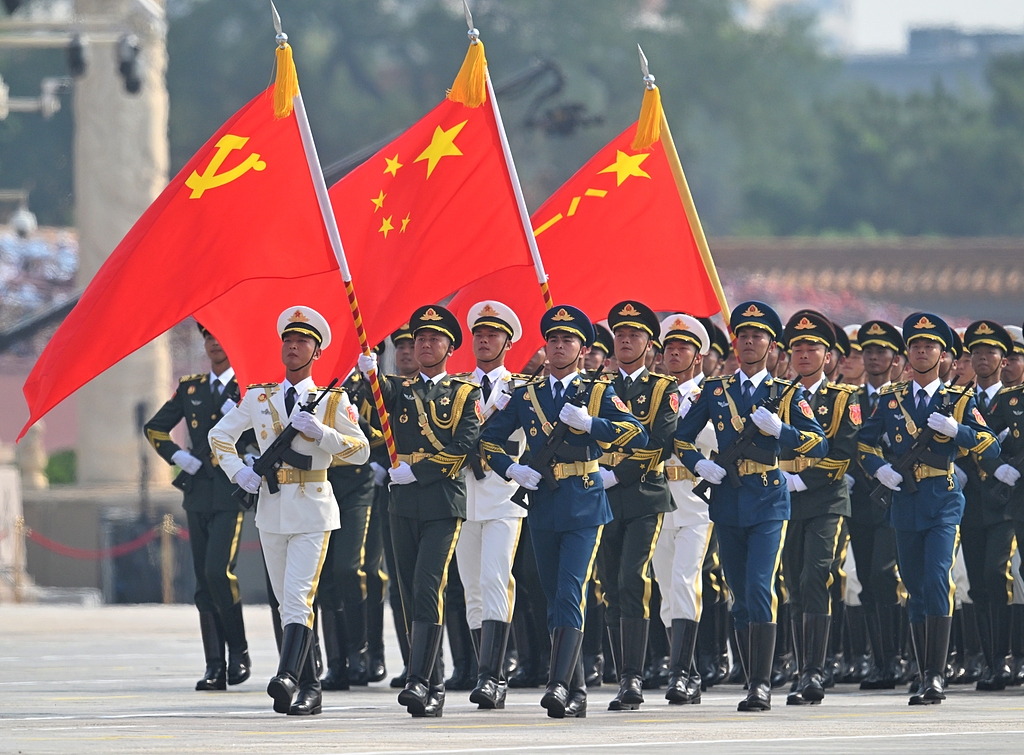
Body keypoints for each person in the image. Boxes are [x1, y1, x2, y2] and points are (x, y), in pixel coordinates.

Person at [480, 305, 647, 719]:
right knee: (554, 595)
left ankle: (557, 684)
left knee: (571, 590)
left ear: (583, 349)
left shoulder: (598, 392)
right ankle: (577, 691)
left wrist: (592, 424)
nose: (559, 346)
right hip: (542, 502)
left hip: (584, 500)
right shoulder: (526, 394)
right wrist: (512, 468)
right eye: (553, 340)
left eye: (567, 340)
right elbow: (488, 440)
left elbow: (635, 433)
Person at [209, 306, 369, 716]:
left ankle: (286, 676)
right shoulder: (259, 397)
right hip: (271, 507)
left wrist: (324, 434)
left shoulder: (333, 400)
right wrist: (239, 473)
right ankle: (311, 687)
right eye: (289, 340)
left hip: (313, 508)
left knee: (299, 596)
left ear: (317, 353)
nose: (293, 347)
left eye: (303, 342)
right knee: (285, 602)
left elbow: (362, 450)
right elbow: (219, 435)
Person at [674, 301, 828, 712]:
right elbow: (680, 437)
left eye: (757, 336)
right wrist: (699, 464)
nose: (748, 342)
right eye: (742, 335)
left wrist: (783, 430)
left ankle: (761, 684)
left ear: (772, 346)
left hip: (767, 499)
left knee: (761, 587)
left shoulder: (785, 393)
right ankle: (750, 679)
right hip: (727, 500)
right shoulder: (715, 390)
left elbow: (819, 443)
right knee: (739, 595)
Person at [859, 312, 999, 706]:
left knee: (938, 579)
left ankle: (936, 676)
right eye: (916, 346)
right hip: (904, 500)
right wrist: (880, 469)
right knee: (915, 586)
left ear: (944, 356)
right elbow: (865, 444)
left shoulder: (957, 400)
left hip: (942, 499)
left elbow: (990, 446)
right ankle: (924, 673)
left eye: (930, 346)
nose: (922, 351)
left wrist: (960, 431)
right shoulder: (891, 399)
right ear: (907, 354)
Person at [357, 305, 481, 718]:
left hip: (442, 502)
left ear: (449, 347)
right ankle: (434, 683)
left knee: (429, 585)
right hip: (403, 503)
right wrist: (367, 374)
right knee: (408, 592)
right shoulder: (398, 389)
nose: (425, 345)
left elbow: (464, 444)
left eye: (433, 340)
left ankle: (417, 679)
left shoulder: (465, 393)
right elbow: (371, 409)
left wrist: (420, 471)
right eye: (418, 340)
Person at [144, 322, 253, 692]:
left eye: (220, 335)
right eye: (208, 336)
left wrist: (247, 459)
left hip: (229, 490)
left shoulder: (248, 389)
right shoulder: (192, 387)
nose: (214, 343)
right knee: (203, 580)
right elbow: (156, 428)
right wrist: (178, 456)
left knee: (218, 571)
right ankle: (214, 665)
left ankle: (238, 651)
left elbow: (262, 434)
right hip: (197, 491)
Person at [596, 300, 678, 711]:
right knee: (610, 584)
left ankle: (633, 677)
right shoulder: (595, 385)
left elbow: (660, 443)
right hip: (601, 495)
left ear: (650, 345)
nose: (626, 341)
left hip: (643, 494)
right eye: (621, 334)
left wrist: (618, 473)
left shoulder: (664, 389)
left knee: (632, 578)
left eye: (635, 335)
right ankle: (620, 671)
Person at [777, 311, 858, 706]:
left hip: (825, 499)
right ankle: (800, 666)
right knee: (793, 582)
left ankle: (814, 670)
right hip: (784, 499)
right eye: (798, 348)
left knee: (816, 576)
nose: (805, 354)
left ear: (828, 356)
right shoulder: (778, 396)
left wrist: (803, 479)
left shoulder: (842, 398)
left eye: (813, 348)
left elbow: (843, 453)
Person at [453, 301, 530, 710]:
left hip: (503, 493)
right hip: (464, 495)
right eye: (480, 334)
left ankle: (492, 676)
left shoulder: (522, 388)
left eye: (494, 334)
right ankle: (486, 668)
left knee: (496, 578)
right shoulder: (456, 386)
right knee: (472, 588)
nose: (485, 340)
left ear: (508, 341)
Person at [651, 314, 715, 704]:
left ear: (699, 356)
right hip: (659, 497)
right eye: (670, 347)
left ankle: (680, 673)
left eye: (683, 347)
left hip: (694, 498)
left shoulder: (710, 395)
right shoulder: (653, 392)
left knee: (685, 582)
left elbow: (720, 437)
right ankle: (686, 671)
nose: (675, 353)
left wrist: (683, 422)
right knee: (665, 590)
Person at [846, 320, 906, 691]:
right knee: (867, 579)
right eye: (868, 351)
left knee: (886, 576)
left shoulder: (902, 396)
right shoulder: (848, 398)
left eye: (881, 351)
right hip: (859, 499)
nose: (873, 357)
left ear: (896, 359)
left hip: (896, 498)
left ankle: (896, 657)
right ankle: (879, 659)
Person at [959, 320, 1016, 691]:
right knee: (977, 584)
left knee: (998, 575)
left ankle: (1008, 656)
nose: (982, 357)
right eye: (976, 352)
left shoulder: (1015, 400)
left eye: (989, 352)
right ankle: (989, 660)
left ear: (1003, 359)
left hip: (1006, 504)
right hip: (970, 504)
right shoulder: (958, 400)